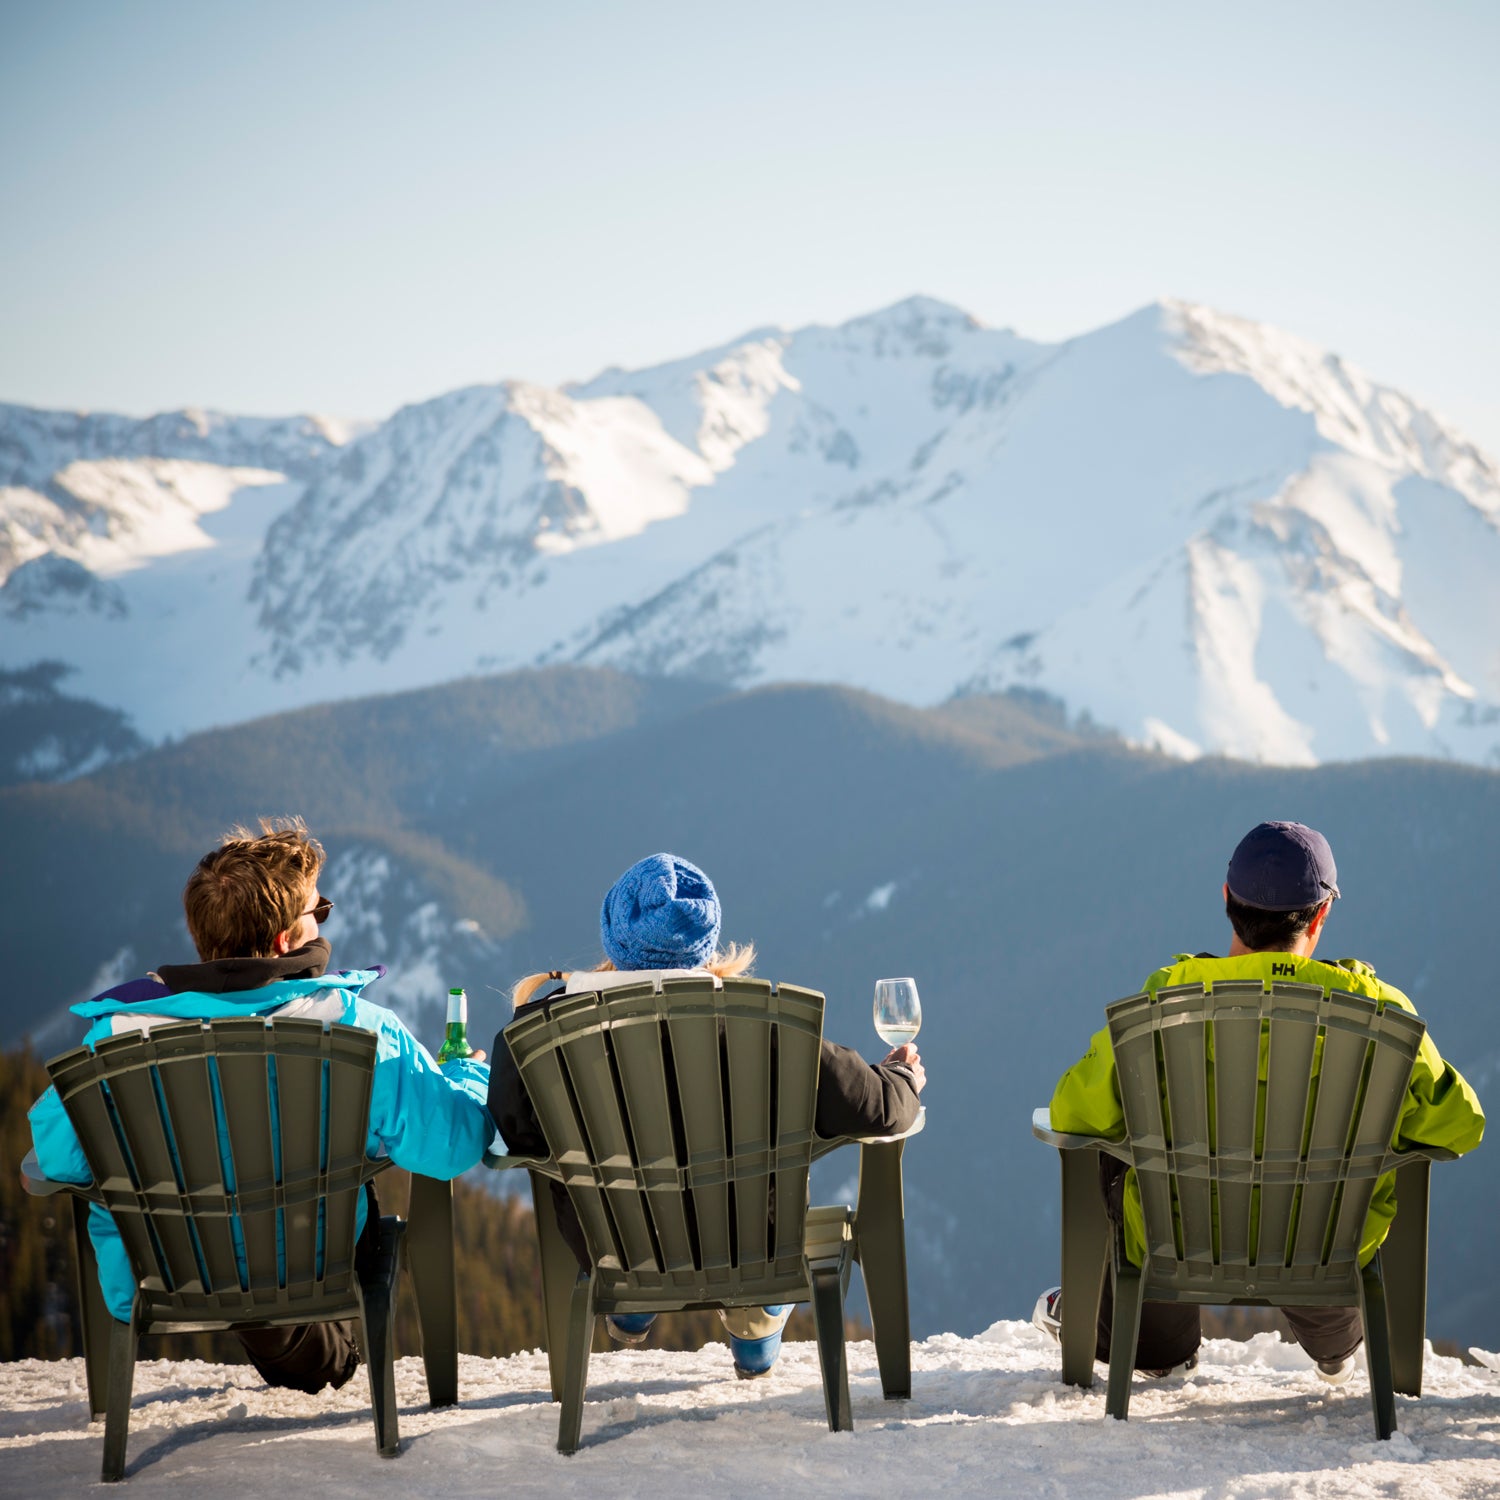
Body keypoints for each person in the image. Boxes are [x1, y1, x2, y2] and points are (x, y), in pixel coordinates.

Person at [28, 818, 493, 1395]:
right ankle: (303, 1344)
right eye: (316, 913)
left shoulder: (119, 1039)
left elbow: (54, 1160)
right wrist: (466, 1073)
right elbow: (452, 1147)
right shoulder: (357, 1031)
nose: (322, 922)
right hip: (310, 1273)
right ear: (284, 942)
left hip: (166, 1273)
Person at [1033, 820, 1484, 1383]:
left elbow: (1071, 1113)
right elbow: (1461, 1127)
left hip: (1181, 1245)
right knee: (1377, 1157)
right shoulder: (1379, 1013)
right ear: (1321, 915)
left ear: (1227, 900)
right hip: (1328, 1253)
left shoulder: (1164, 999)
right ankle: (1335, 1340)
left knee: (1114, 1139)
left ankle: (1153, 1345)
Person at [489, 851, 926, 1378]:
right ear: (705, 941)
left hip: (616, 1249)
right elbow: (879, 1112)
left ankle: (634, 1302)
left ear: (614, 934)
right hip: (750, 1251)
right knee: (759, 1233)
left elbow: (514, 1134)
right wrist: (901, 1078)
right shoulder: (769, 1026)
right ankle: (756, 1318)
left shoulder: (540, 1033)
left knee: (621, 1224)